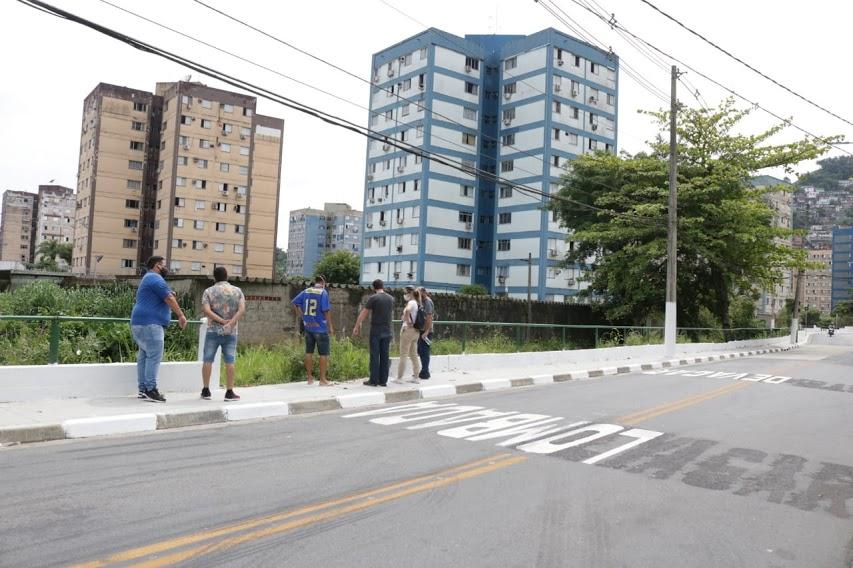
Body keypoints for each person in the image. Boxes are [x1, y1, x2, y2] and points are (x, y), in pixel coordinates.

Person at [130, 256, 188, 403]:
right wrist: (181, 315)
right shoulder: (155, 278)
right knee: (154, 357)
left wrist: (170, 294)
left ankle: (143, 389)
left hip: (140, 322)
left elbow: (165, 295)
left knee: (144, 356)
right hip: (151, 324)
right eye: (163, 265)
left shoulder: (148, 278)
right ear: (157, 266)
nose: (166, 268)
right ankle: (151, 390)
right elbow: (169, 298)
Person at [200, 266, 246, 401]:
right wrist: (231, 323)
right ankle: (229, 392)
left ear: (214, 277)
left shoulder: (208, 291)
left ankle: (206, 390)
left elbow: (207, 311)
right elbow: (242, 309)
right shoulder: (237, 291)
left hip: (212, 330)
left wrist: (221, 320)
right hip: (231, 332)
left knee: (208, 360)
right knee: (230, 361)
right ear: (227, 276)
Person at [291, 276, 334, 386]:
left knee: (308, 352)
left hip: (308, 327)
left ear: (315, 283)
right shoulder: (323, 292)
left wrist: (300, 314)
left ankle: (309, 378)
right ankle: (322, 380)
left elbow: (294, 302)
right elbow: (326, 310)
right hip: (320, 328)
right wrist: (330, 326)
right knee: (323, 354)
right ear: (323, 283)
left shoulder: (306, 291)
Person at [352, 279, 394, 387]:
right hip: (388, 330)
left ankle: (373, 380)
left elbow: (364, 313)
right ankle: (383, 381)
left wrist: (356, 326)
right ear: (382, 286)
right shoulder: (391, 298)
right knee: (385, 355)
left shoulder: (373, 298)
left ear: (373, 287)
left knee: (375, 355)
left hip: (376, 330)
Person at [395, 286, 422, 383]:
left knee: (403, 354)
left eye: (405, 292)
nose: (404, 294)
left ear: (410, 293)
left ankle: (399, 378)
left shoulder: (411, 302)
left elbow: (407, 310)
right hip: (415, 331)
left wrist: (407, 320)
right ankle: (416, 377)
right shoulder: (417, 303)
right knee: (414, 355)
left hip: (408, 330)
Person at [416, 286, 435, 380]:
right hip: (421, 330)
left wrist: (426, 331)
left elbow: (429, 317)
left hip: (427, 332)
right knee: (419, 350)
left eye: (419, 292)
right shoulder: (421, 301)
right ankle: (422, 370)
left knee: (424, 351)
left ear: (423, 292)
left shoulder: (428, 302)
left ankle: (425, 372)